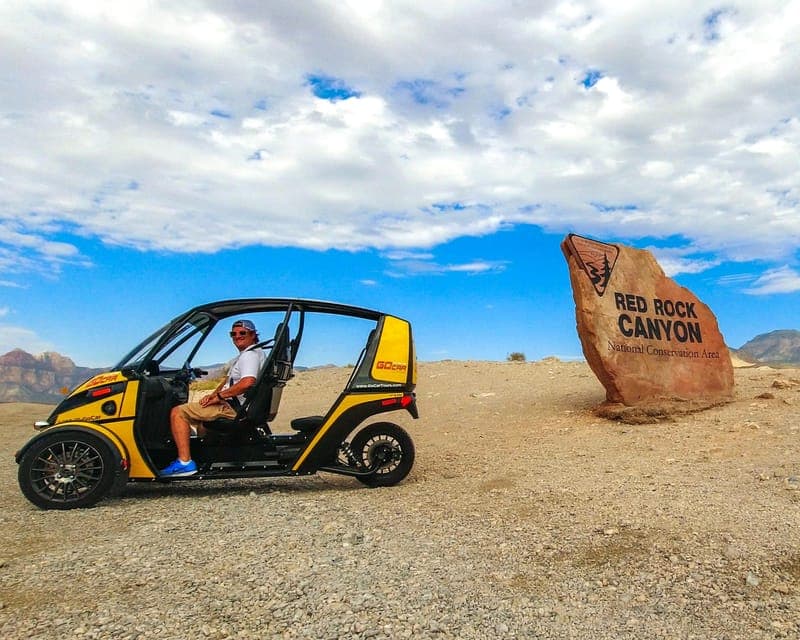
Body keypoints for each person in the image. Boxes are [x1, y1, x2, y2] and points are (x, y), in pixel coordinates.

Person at [160, 319, 265, 477]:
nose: (237, 336)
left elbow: (247, 383)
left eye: (242, 333)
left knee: (178, 412)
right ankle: (204, 457)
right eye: (233, 334)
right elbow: (228, 379)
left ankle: (185, 462)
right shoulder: (251, 354)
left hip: (234, 408)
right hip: (236, 405)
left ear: (253, 334)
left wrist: (220, 396)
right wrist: (213, 395)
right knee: (201, 421)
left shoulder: (249, 355)